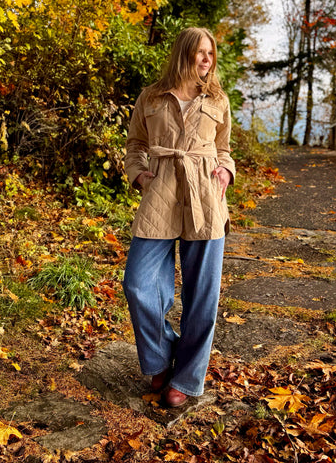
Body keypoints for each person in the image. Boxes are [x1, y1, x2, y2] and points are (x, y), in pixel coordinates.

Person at [122, 27, 235, 408]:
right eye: (199, 52)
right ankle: (158, 357)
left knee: (202, 296)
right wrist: (139, 173)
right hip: (162, 193)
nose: (206, 59)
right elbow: (135, 143)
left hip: (206, 198)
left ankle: (186, 378)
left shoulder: (217, 99)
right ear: (183, 54)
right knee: (138, 283)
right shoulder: (152, 96)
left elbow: (224, 148)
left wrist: (226, 171)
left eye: (210, 54)